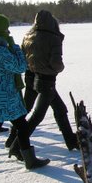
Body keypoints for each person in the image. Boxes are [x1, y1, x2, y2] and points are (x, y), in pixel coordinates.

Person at [7, 10, 78, 160]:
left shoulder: (27, 35)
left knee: (59, 109)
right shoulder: (53, 38)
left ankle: (71, 141)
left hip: (31, 77)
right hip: (46, 80)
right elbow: (56, 63)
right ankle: (16, 146)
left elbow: (23, 56)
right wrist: (59, 68)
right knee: (37, 116)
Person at [0, 14, 50, 169]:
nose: (9, 31)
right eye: (6, 28)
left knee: (20, 126)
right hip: (5, 96)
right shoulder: (0, 51)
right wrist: (15, 48)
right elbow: (20, 67)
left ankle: (29, 159)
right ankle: (30, 160)